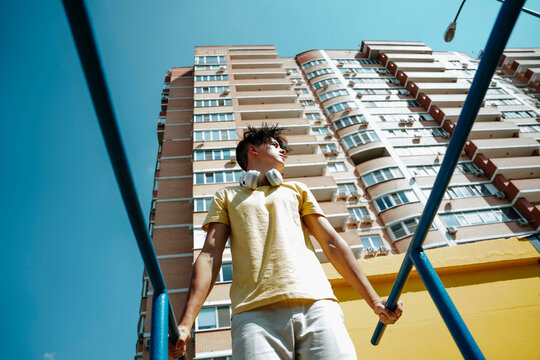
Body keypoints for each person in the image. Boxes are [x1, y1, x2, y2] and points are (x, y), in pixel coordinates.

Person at [169, 125, 402, 359]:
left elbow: (331, 243)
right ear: (253, 150)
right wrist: (187, 323)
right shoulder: (227, 196)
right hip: (253, 315)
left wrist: (374, 301)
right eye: (275, 145)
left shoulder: (296, 190)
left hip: (317, 305)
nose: (282, 151)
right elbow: (210, 256)